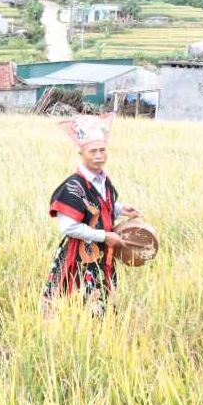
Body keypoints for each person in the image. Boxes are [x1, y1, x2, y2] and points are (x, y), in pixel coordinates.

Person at [41, 113, 141, 317]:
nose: (98, 155)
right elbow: (68, 227)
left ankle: (99, 337)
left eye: (102, 150)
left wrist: (120, 209)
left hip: (104, 252)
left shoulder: (103, 180)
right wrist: (104, 236)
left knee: (102, 302)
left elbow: (97, 204)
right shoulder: (73, 186)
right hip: (80, 255)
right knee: (73, 305)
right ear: (81, 153)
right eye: (92, 151)